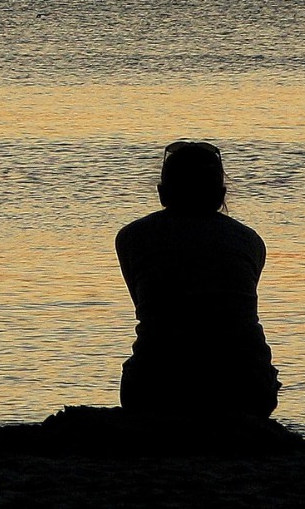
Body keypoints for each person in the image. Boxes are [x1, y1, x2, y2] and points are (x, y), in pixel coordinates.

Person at [115, 141, 280, 417]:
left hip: (156, 386)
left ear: (162, 193)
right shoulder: (250, 241)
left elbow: (148, 307)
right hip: (247, 386)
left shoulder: (131, 238)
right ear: (220, 195)